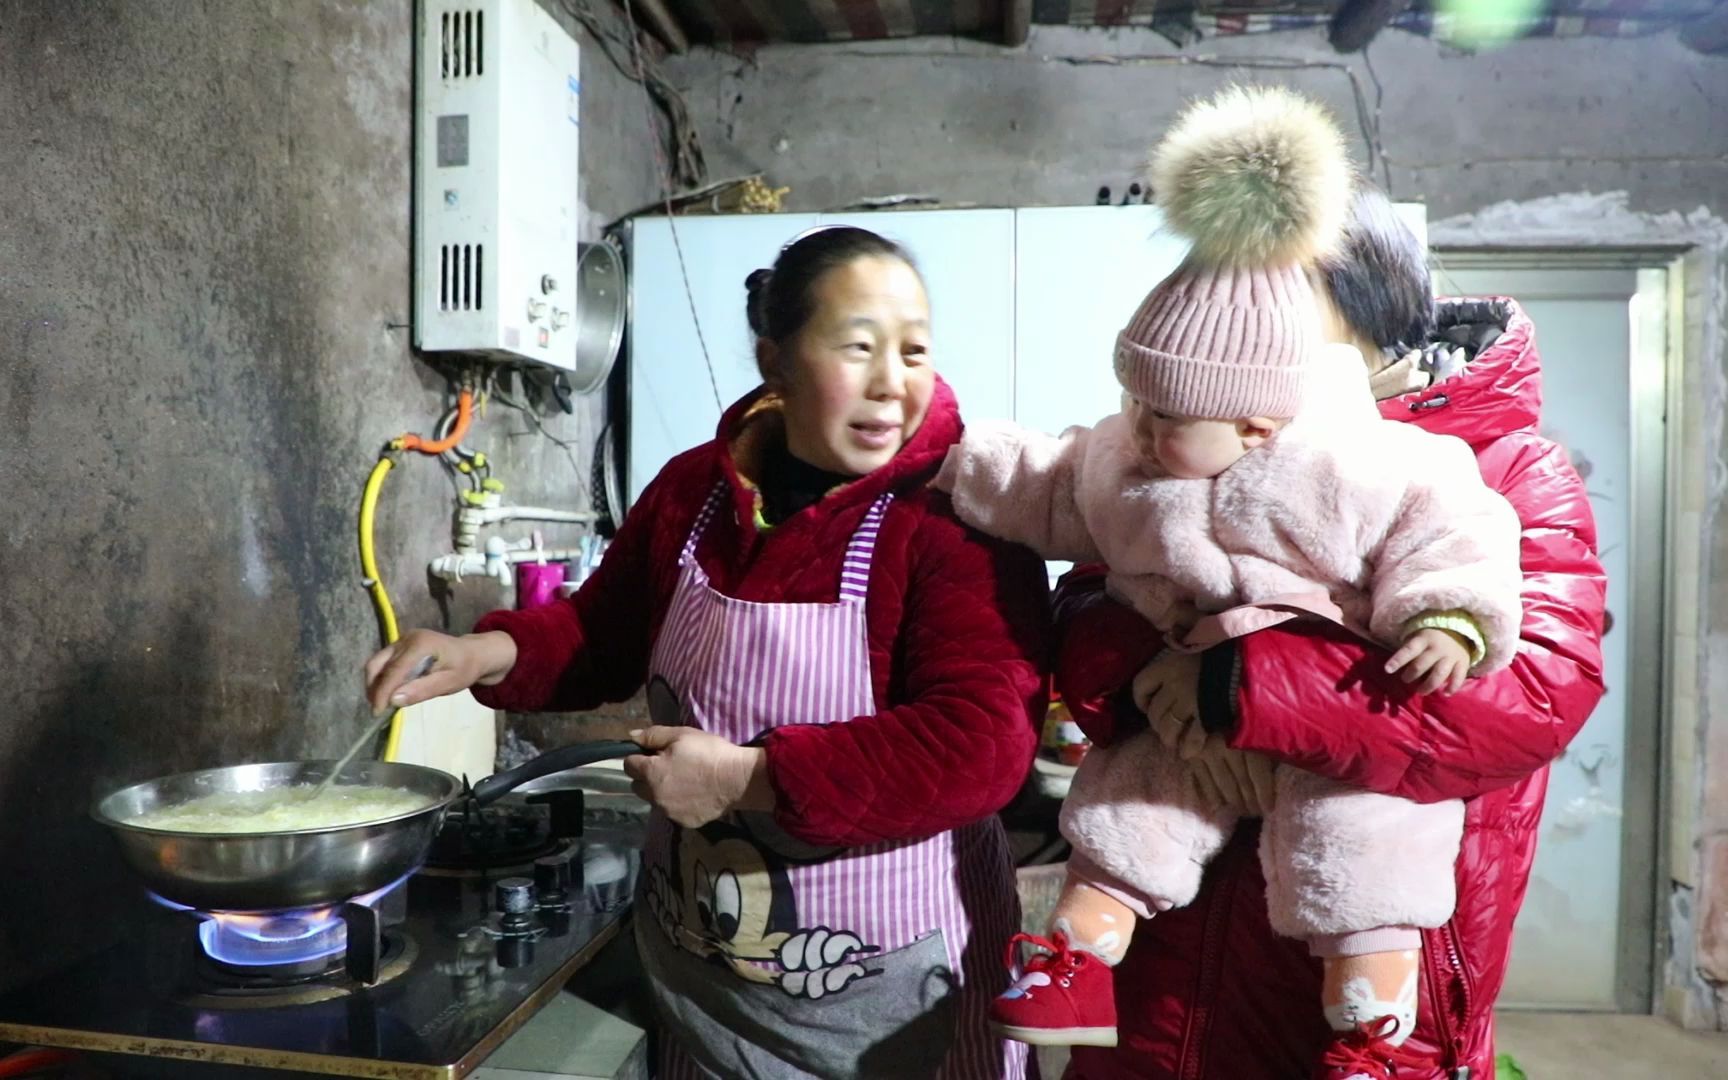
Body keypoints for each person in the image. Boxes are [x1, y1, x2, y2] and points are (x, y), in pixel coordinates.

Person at [366, 225, 1052, 1079]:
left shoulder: (955, 519)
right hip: (710, 975)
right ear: (777, 359)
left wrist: (745, 781)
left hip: (894, 992)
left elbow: (981, 745)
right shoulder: (699, 488)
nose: (892, 384)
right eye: (858, 348)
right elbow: (602, 634)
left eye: (914, 352)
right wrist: (485, 653)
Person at [933, 87, 1523, 1077]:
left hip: (1341, 766)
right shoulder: (1142, 459)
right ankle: (1077, 946)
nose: (1149, 432)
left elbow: (1472, 600)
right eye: (1141, 405)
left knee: (1366, 829)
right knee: (1130, 801)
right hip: (1180, 924)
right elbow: (1050, 489)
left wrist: (1450, 621)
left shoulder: (1416, 465)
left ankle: (1371, 990)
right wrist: (946, 453)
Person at [1051, 188, 1607, 1076]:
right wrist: (1148, 672)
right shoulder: (1199, 430)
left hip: (1371, 964)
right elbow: (1082, 600)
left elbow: (1531, 695)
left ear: (1365, 311)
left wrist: (1242, 689)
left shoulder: (1506, 464)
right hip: (1168, 947)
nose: (1238, 325)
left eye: (1268, 299)